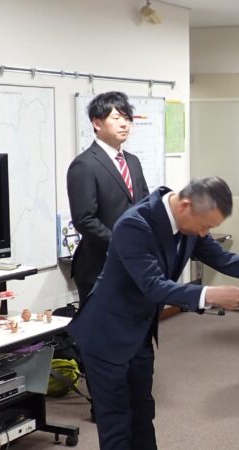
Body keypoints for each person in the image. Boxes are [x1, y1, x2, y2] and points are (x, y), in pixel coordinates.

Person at [67, 177, 239, 450]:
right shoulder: (134, 224)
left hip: (139, 331)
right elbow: (154, 286)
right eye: (205, 226)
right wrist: (210, 295)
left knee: (142, 413)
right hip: (106, 334)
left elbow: (223, 259)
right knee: (116, 422)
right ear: (186, 205)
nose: (204, 233)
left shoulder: (190, 223)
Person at [67, 91, 149, 306]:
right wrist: (121, 243)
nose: (124, 124)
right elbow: (84, 219)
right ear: (97, 123)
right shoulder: (84, 164)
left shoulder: (133, 161)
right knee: (104, 325)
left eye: (127, 118)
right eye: (116, 118)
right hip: (99, 266)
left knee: (135, 322)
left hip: (134, 264)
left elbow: (145, 205)